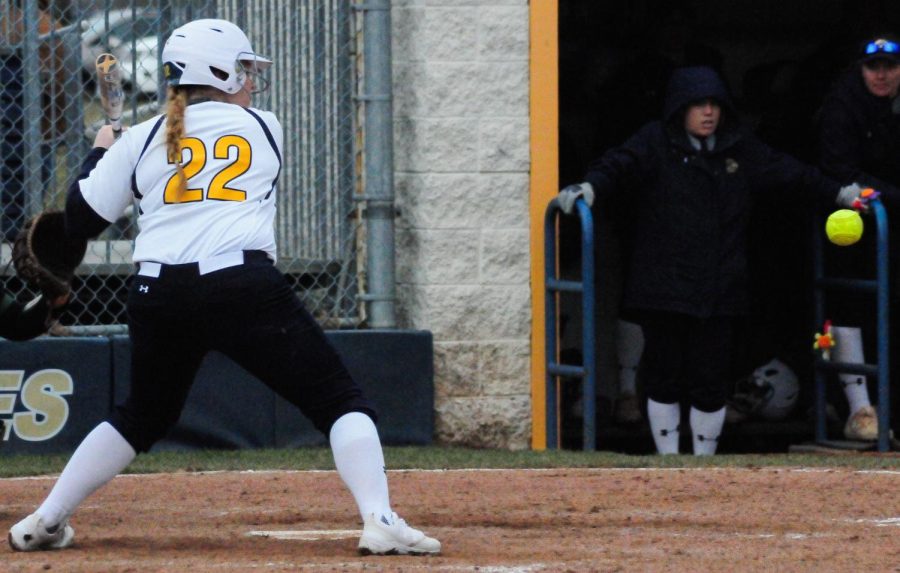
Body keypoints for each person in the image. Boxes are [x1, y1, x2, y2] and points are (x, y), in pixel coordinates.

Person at [7, 18, 440, 556]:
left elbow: (78, 220)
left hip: (156, 293)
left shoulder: (141, 137)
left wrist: (103, 148)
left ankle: (46, 519)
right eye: (243, 70)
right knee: (339, 400)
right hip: (241, 286)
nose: (251, 80)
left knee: (142, 415)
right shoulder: (264, 126)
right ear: (219, 71)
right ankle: (379, 519)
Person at [558, 66, 864, 455]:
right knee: (664, 376)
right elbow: (617, 164)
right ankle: (669, 460)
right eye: (698, 104)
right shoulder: (655, 141)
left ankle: (705, 463)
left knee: (710, 378)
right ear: (678, 108)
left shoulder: (740, 147)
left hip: (720, 286)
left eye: (715, 104)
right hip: (664, 286)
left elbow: (792, 174)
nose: (708, 113)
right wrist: (589, 187)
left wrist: (840, 193)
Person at [816, 34, 900, 442]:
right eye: (874, 67)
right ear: (860, 69)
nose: (882, 75)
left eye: (890, 66)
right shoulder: (841, 106)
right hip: (851, 223)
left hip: (891, 226)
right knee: (850, 307)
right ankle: (858, 409)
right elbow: (836, 167)